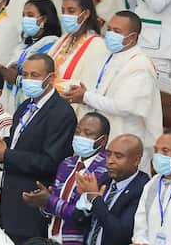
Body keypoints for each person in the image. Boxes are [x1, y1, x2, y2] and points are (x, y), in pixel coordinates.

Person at [0, 53, 79, 244]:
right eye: (26, 74)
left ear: (51, 78)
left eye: (35, 75)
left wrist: (6, 155)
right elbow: (16, 145)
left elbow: (51, 162)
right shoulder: (24, 106)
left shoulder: (61, 113)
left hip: (32, 206)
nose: (28, 80)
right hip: (9, 202)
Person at [63, 11, 162, 159]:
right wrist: (81, 93)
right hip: (102, 138)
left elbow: (123, 106)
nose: (110, 34)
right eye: (109, 29)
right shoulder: (111, 56)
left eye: (117, 31)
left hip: (125, 145)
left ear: (133, 37)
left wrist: (85, 96)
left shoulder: (140, 66)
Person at [78, 134, 150, 245]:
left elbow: (120, 235)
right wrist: (87, 202)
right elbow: (78, 219)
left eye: (118, 156)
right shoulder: (105, 180)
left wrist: (95, 199)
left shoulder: (142, 188)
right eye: (108, 154)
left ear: (136, 160)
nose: (110, 160)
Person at [30, 111, 109, 245]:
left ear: (102, 140)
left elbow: (83, 214)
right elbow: (56, 203)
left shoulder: (104, 170)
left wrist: (49, 201)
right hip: (52, 238)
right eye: (78, 132)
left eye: (88, 133)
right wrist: (43, 202)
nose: (80, 137)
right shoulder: (67, 163)